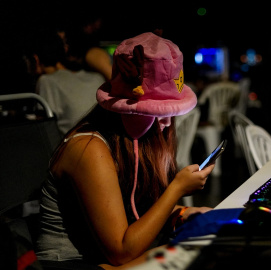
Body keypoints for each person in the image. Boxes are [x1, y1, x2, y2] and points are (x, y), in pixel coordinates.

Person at [34, 31, 214, 269]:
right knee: (181, 256)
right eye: (157, 112)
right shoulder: (88, 149)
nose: (167, 122)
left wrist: (182, 214)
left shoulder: (135, 144)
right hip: (73, 263)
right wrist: (176, 189)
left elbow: (138, 211)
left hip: (106, 257)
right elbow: (120, 252)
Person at [33, 28, 106, 135]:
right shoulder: (97, 77)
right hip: (104, 144)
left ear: (36, 59)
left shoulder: (46, 81)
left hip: (75, 147)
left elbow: (44, 132)